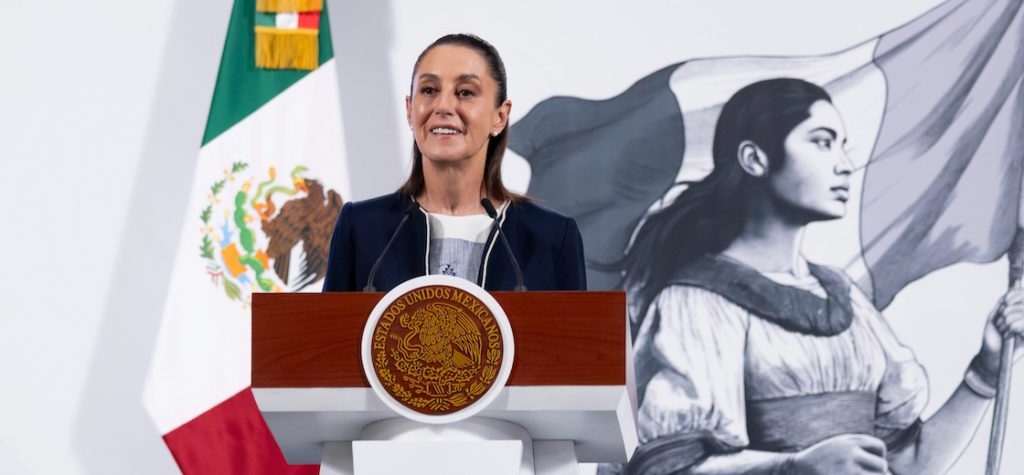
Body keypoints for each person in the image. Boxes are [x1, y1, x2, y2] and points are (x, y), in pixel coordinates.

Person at [606, 78, 1024, 474]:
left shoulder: (845, 299)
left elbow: (909, 463)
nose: (845, 165)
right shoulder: (698, 302)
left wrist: (986, 370)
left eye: (843, 146)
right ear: (755, 159)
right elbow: (667, 468)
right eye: (822, 142)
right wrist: (793, 467)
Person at [322, 33, 586, 293]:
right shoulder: (361, 227)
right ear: (410, 110)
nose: (443, 106)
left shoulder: (552, 236)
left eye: (465, 92)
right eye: (429, 90)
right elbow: (329, 323)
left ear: (500, 116)